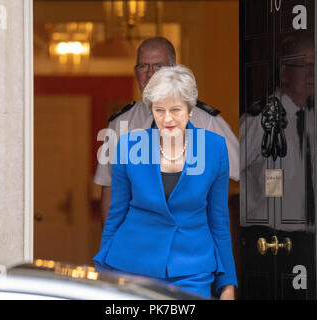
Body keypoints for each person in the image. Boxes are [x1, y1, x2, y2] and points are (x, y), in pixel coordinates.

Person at [93, 65, 237, 300]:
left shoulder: (214, 147)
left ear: (191, 109)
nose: (167, 118)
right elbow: (116, 215)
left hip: (193, 270)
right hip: (132, 266)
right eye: (159, 110)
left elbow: (218, 221)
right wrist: (103, 272)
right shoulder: (128, 146)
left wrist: (228, 285)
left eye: (175, 110)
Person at [94, 37, 239, 224]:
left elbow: (239, 176)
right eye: (143, 67)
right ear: (136, 72)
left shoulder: (206, 121)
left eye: (158, 67)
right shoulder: (120, 123)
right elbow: (110, 192)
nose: (150, 75)